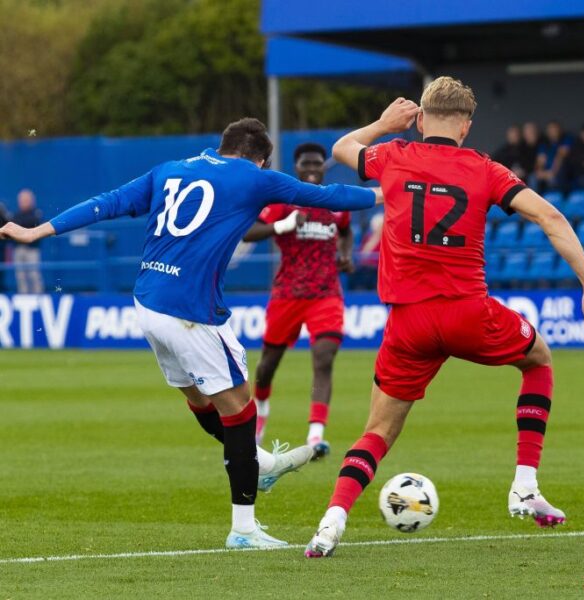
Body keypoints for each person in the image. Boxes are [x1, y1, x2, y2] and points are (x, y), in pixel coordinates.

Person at [0, 118, 378, 549]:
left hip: (148, 303)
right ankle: (244, 528)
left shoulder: (170, 169)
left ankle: (261, 461)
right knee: (241, 413)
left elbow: (109, 202)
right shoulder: (253, 178)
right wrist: (388, 194)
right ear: (259, 159)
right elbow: (329, 196)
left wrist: (37, 230)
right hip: (188, 311)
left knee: (200, 398)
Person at [305, 77, 584, 558]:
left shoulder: (393, 155)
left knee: (378, 431)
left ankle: (331, 522)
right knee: (538, 359)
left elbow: (343, 147)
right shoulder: (485, 169)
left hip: (408, 323)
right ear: (466, 127)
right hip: (470, 313)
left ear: (421, 119)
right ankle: (525, 485)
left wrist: (385, 124)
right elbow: (550, 217)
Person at [242, 142, 354, 455]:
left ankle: (316, 436)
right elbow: (248, 231)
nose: (312, 169)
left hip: (325, 293)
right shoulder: (283, 201)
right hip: (287, 294)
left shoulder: (335, 202)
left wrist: (345, 255)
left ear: (323, 166)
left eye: (317, 164)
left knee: (324, 358)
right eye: (306, 164)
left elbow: (345, 231)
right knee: (267, 367)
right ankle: (261, 412)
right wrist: (283, 225)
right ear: (297, 168)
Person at [11, 189, 44, 294]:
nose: (23, 202)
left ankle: (38, 296)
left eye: (26, 200)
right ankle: (23, 296)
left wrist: (21, 228)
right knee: (20, 275)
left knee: (33, 274)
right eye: (21, 200)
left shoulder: (36, 214)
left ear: (31, 201)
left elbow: (33, 224)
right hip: (19, 249)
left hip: (32, 250)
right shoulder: (16, 215)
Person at [531, 121, 571, 192]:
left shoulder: (566, 139)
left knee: (554, 179)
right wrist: (541, 172)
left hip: (559, 172)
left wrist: (552, 172)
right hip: (547, 173)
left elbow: (560, 157)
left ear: (559, 130)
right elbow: (540, 161)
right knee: (533, 178)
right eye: (550, 130)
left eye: (555, 129)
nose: (553, 132)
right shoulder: (545, 144)